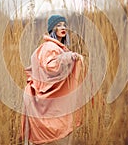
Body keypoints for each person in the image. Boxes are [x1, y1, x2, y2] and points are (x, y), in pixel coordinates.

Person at [21, 14, 84, 145]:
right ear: (52, 29)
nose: (63, 27)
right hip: (41, 97)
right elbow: (51, 67)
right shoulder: (50, 46)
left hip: (40, 97)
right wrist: (70, 56)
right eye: (58, 25)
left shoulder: (55, 47)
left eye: (64, 25)